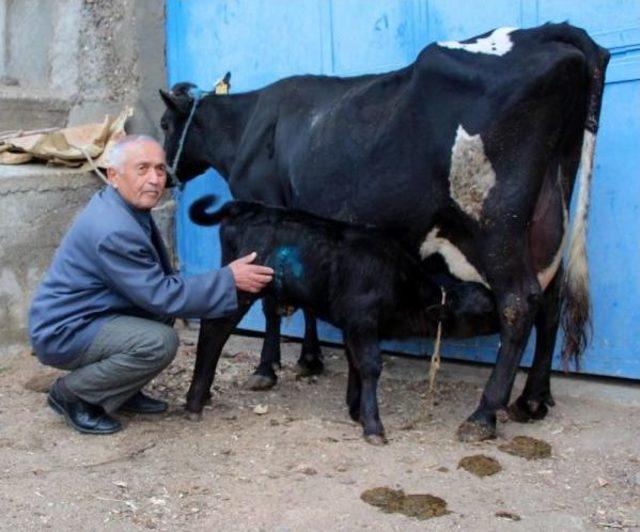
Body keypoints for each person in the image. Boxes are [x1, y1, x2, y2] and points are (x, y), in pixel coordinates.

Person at [28, 135, 274, 435]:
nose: (155, 179)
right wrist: (228, 278)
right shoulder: (114, 229)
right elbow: (161, 294)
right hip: (64, 330)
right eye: (142, 169)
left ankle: (121, 389)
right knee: (158, 342)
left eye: (160, 169)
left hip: (87, 314)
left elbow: (157, 291)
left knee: (161, 315)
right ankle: (74, 394)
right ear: (113, 176)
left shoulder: (122, 206)